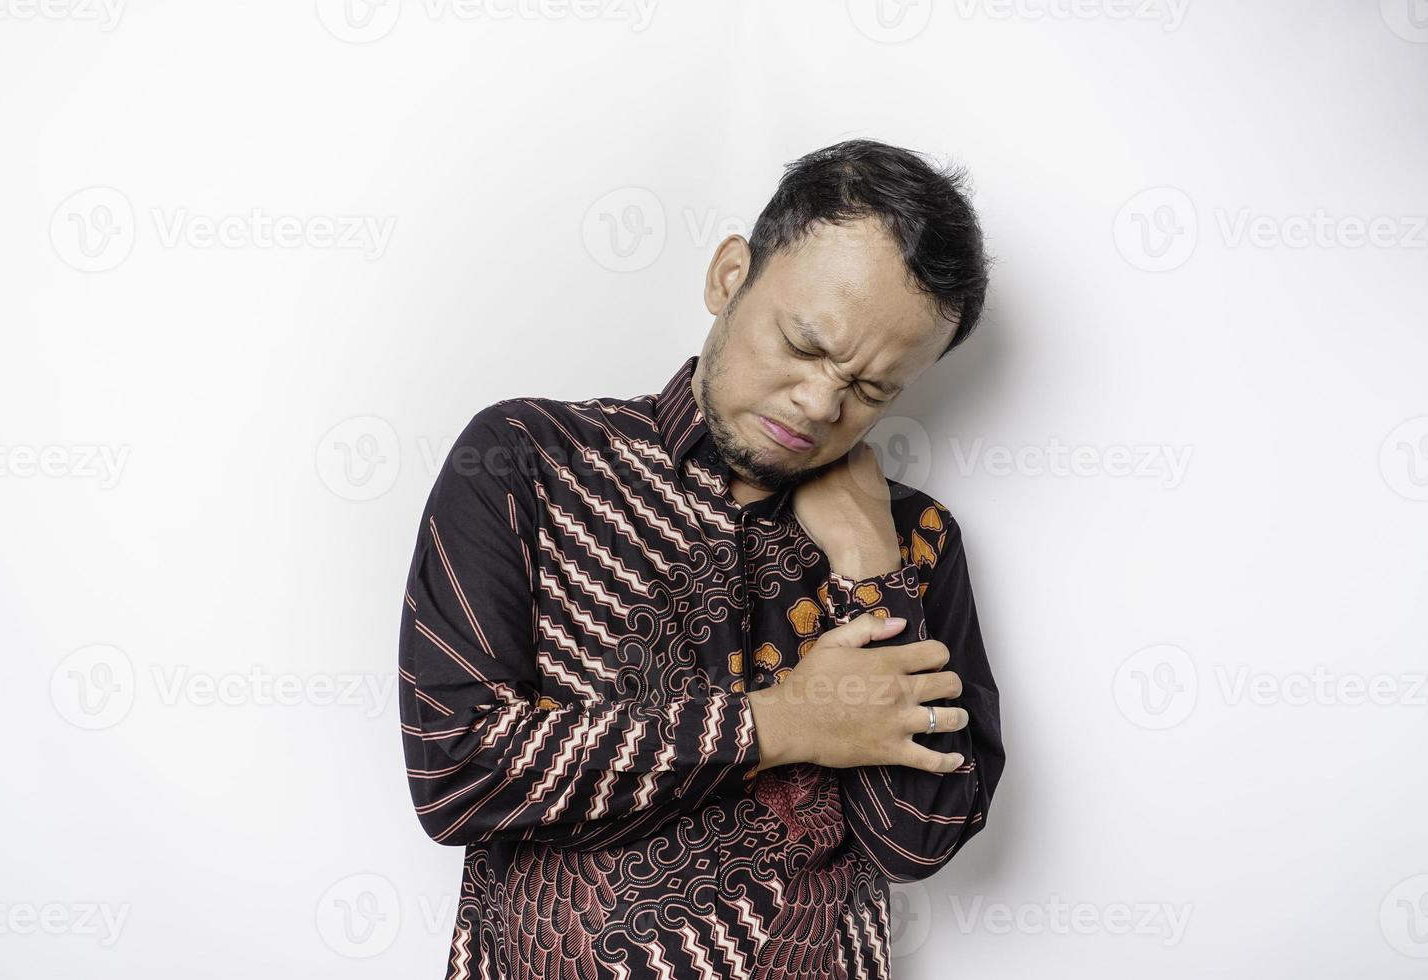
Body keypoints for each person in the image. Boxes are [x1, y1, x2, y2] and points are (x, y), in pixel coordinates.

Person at [397, 137, 1004, 979]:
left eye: (872, 390)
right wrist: (783, 723)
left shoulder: (914, 540)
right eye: (805, 345)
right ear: (729, 276)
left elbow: (918, 839)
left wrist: (872, 570)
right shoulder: (526, 459)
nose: (822, 403)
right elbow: (456, 770)